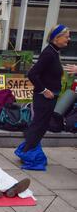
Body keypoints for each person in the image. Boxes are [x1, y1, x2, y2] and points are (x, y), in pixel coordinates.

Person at [22, 25, 71, 153]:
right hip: (44, 98)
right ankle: (27, 153)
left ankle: (28, 152)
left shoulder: (54, 52)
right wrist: (44, 90)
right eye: (66, 37)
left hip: (51, 97)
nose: (68, 39)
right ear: (57, 38)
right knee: (38, 126)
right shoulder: (49, 53)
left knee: (42, 126)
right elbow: (32, 74)